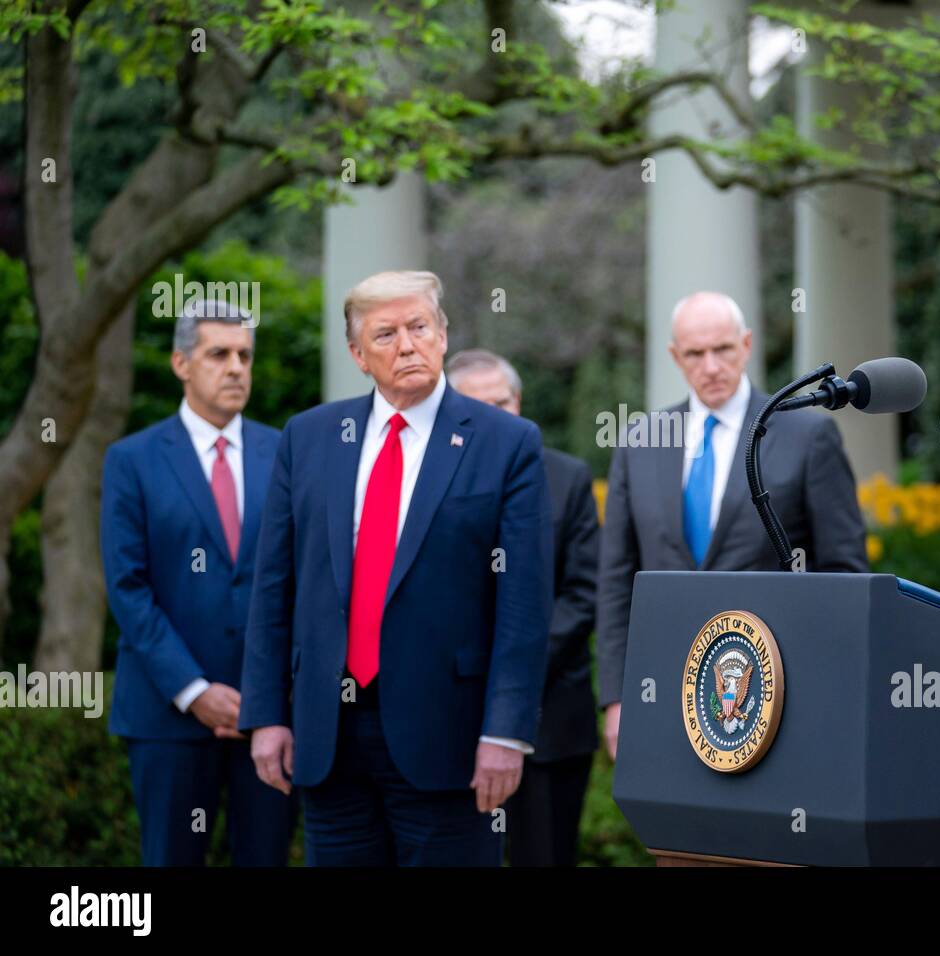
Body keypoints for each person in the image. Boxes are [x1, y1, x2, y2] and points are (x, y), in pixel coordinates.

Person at [238, 271, 553, 866]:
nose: (407, 345)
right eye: (386, 334)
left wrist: (507, 731)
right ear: (358, 355)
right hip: (327, 739)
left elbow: (524, 604)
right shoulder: (308, 438)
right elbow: (273, 587)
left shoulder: (506, 442)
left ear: (442, 334)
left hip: (452, 743)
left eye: (419, 327)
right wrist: (266, 714)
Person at [597, 291, 869, 759]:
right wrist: (617, 697)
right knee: (670, 829)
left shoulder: (807, 434)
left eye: (722, 349)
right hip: (661, 686)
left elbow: (844, 570)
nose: (710, 366)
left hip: (775, 689)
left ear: (746, 345)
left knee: (761, 831)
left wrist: (829, 683)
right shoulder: (640, 441)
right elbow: (616, 583)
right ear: (674, 357)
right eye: (695, 354)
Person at [102, 298, 296, 866]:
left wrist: (273, 693)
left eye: (245, 355)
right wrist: (194, 691)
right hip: (168, 713)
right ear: (181, 363)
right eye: (219, 354)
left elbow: (302, 581)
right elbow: (128, 587)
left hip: (269, 714)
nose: (236, 367)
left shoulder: (285, 452)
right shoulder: (132, 460)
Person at [447, 348, 599, 867]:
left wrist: (509, 668)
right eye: (479, 404)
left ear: (520, 401)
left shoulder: (568, 478)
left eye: (504, 400)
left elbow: (583, 595)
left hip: (551, 722)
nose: (497, 414)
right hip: (451, 722)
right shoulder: (432, 487)